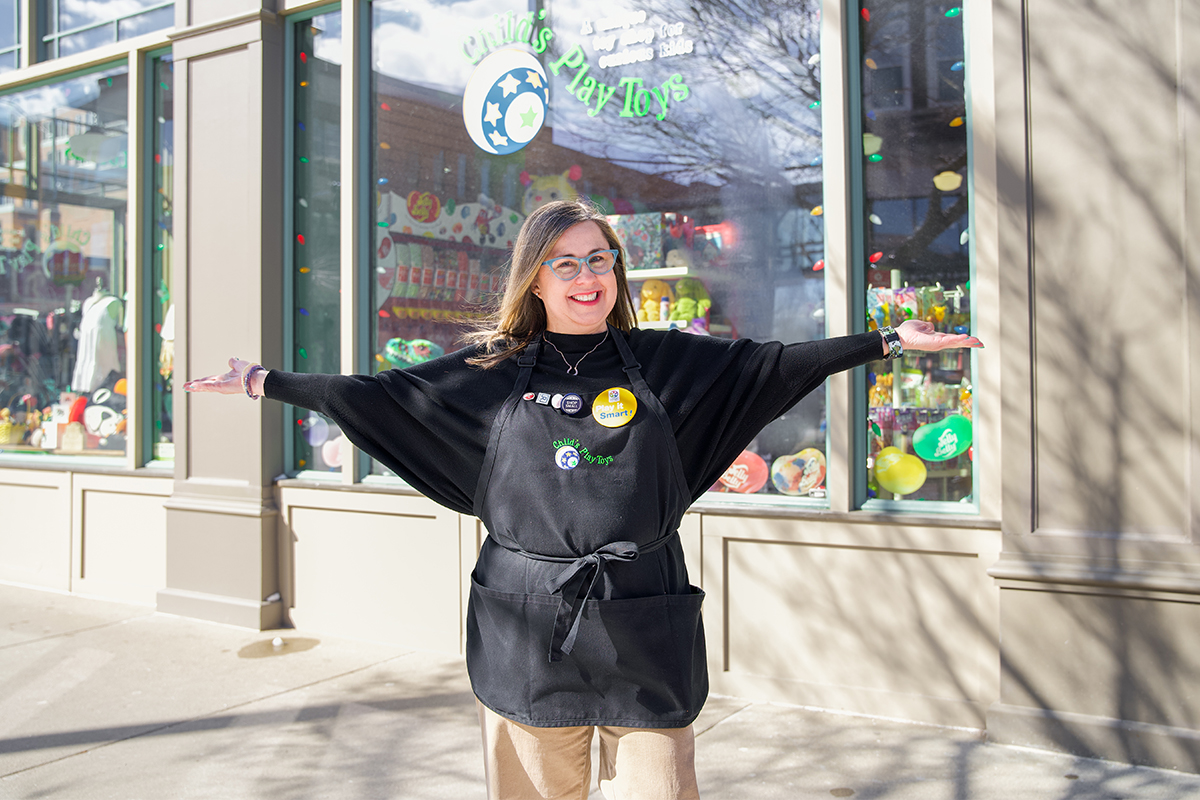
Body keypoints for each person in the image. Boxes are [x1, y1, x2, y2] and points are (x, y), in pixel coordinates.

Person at [185, 199, 983, 799]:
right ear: (534, 277)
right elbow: (379, 396)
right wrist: (265, 382)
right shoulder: (491, 372)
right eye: (566, 263)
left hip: (645, 618)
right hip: (528, 624)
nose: (587, 276)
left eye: (599, 260)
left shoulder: (664, 364)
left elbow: (774, 365)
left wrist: (883, 341)